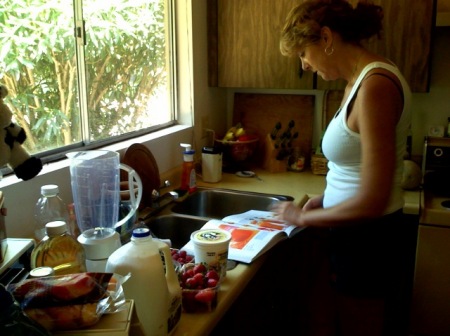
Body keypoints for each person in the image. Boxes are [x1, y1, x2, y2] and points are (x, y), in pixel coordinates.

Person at [272, 1, 412, 336]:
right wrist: (326, 197)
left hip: (368, 239)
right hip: (353, 231)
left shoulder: (375, 86)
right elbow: (358, 169)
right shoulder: (358, 82)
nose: (304, 65)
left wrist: (302, 217)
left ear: (326, 37)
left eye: (303, 54)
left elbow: (373, 199)